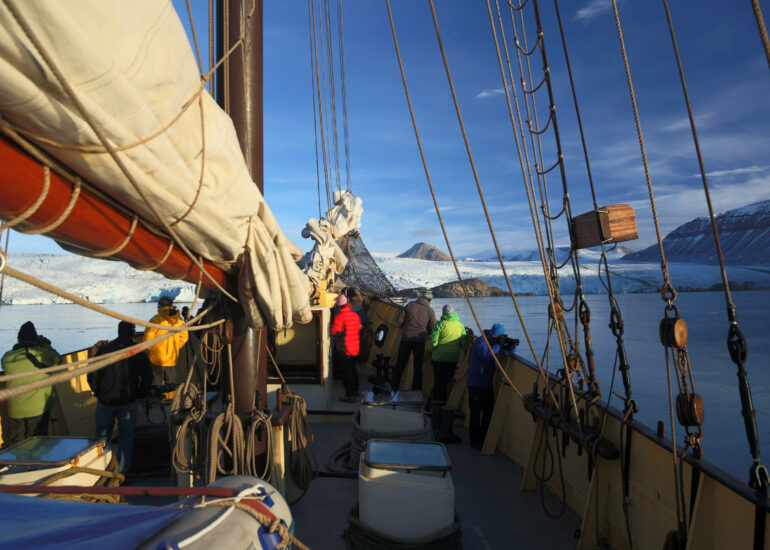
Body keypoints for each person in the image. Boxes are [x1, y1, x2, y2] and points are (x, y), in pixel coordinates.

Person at [88, 322, 152, 473]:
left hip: (105, 401)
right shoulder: (137, 352)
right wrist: (140, 393)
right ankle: (122, 472)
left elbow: (92, 374)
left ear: (118, 331)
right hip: (128, 401)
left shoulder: (104, 350)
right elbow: (147, 376)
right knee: (125, 440)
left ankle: (100, 471)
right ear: (132, 333)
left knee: (101, 439)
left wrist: (98, 392)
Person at [1, 321, 60, 447]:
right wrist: (45, 345)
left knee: (17, 443)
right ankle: (35, 466)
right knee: (37, 442)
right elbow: (58, 359)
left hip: (15, 409)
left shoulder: (6, 357)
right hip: (38, 408)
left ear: (18, 339)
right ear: (34, 338)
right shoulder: (41, 354)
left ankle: (19, 465)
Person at [467, 323, 507, 449]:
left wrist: (509, 344)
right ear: (494, 334)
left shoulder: (492, 341)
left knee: (489, 412)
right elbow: (487, 356)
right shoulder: (481, 342)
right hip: (476, 383)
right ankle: (474, 440)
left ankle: (484, 438)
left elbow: (501, 349)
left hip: (487, 384)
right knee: (475, 413)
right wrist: (498, 345)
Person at [390, 288, 436, 391]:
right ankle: (416, 390)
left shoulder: (410, 305)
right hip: (420, 341)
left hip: (406, 339)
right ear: (428, 300)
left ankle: (394, 386)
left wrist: (405, 327)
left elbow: (399, 320)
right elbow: (432, 327)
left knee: (400, 364)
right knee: (418, 367)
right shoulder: (430, 310)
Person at [143, 296, 188, 385]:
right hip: (172, 358)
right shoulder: (179, 320)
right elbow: (184, 337)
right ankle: (170, 398)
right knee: (170, 384)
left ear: (160, 306)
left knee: (157, 383)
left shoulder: (155, 319)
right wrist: (175, 346)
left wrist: (149, 349)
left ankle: (158, 398)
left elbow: (148, 337)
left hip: (157, 358)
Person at [428, 304, 466, 403]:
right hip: (453, 359)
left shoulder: (440, 324)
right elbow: (464, 343)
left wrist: (431, 349)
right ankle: (444, 403)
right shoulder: (460, 325)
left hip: (439, 359)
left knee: (439, 383)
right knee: (446, 382)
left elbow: (433, 340)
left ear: (444, 313)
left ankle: (437, 405)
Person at [330, 294, 362, 402]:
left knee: (347, 372)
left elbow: (335, 331)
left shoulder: (339, 317)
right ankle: (356, 390)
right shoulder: (355, 315)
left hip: (345, 349)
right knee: (353, 369)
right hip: (354, 347)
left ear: (339, 306)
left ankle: (349, 395)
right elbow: (359, 327)